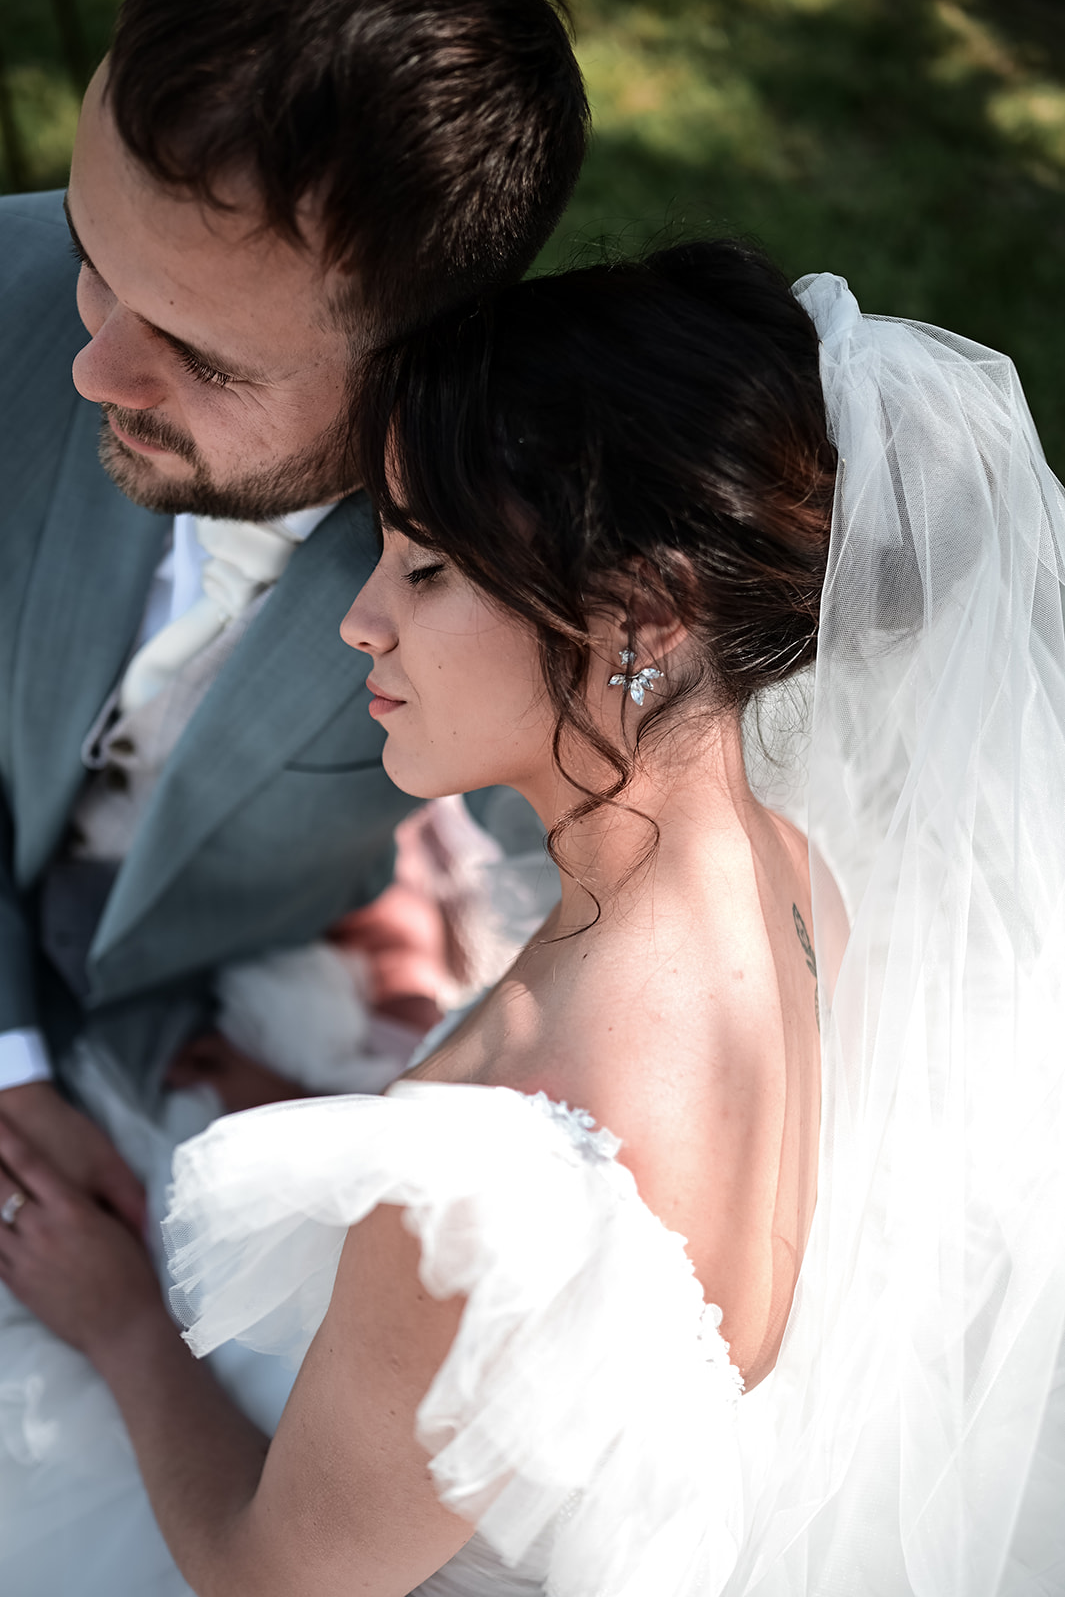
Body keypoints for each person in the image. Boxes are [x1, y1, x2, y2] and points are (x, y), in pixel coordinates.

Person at [2, 238, 1064, 1596]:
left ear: (644, 616)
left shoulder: (503, 1140)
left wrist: (122, 1322)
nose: (362, 624)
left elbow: (272, 1575)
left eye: (427, 569)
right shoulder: (793, 876)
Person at [0, 0, 585, 1212]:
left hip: (222, 1030)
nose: (91, 367)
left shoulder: (517, 547)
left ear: (423, 358)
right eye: (91, 257)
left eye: (206, 359)